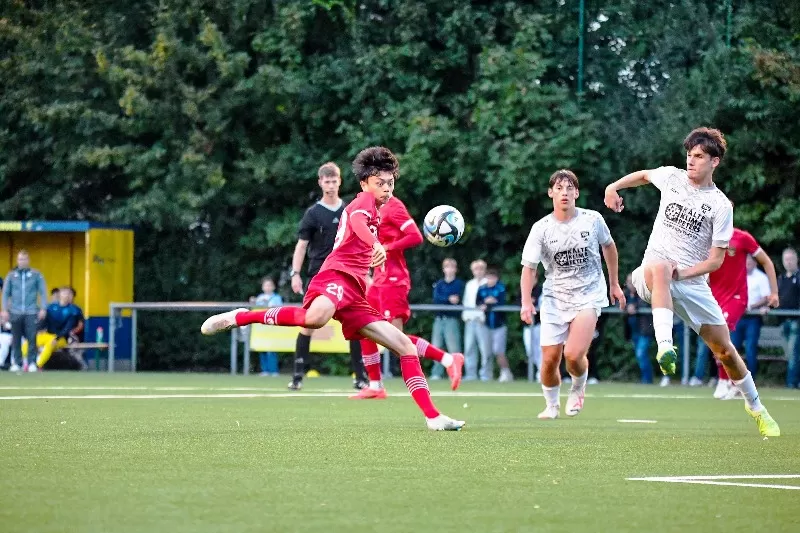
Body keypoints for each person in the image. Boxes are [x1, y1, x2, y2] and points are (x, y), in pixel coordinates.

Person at [202, 146, 465, 431]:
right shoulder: (363, 201)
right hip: (335, 275)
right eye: (380, 183)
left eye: (391, 183)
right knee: (314, 319)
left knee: (403, 346)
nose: (387, 189)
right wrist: (376, 244)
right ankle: (242, 316)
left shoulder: (377, 210)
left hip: (355, 293)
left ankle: (433, 417)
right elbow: (355, 222)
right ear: (365, 183)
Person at [604, 127, 780, 436]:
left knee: (726, 352)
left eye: (699, 156)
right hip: (652, 276)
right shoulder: (672, 178)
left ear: (715, 162)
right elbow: (645, 175)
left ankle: (757, 407)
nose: (691, 161)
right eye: (689, 155)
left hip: (692, 284)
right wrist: (613, 187)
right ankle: (665, 346)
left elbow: (715, 261)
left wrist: (682, 273)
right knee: (658, 267)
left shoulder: (720, 205)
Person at [520, 169, 625, 419]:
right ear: (550, 193)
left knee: (574, 354)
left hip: (589, 294)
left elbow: (609, 247)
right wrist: (525, 301)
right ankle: (552, 405)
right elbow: (529, 268)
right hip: (555, 298)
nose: (564, 193)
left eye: (569, 188)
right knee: (549, 361)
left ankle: (578, 387)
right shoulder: (541, 228)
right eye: (559, 188)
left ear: (577, 193)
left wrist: (614, 284)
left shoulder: (592, 219)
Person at [351, 194, 464, 399]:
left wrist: (387, 248)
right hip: (378, 281)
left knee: (396, 340)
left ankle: (448, 359)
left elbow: (415, 236)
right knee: (363, 327)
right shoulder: (370, 207)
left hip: (394, 281)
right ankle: (375, 385)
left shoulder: (394, 206)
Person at [287, 162, 366, 391]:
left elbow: (359, 242)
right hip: (318, 275)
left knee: (355, 323)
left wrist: (365, 272)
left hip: (344, 274)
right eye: (326, 181)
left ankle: (360, 377)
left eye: (334, 181)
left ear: (340, 181)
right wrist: (295, 274)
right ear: (320, 183)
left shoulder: (349, 210)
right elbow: (302, 246)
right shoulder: (313, 213)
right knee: (308, 322)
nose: (330, 185)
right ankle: (298, 375)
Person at [691, 230, 779, 398]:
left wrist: (774, 292)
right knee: (718, 342)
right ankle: (735, 382)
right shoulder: (705, 238)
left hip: (737, 297)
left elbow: (766, 261)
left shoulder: (742, 237)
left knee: (720, 336)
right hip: (714, 299)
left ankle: (724, 380)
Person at [1, 250, 48, 372]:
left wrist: (43, 308)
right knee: (16, 338)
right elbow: (5, 293)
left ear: (28, 260)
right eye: (20, 259)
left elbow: (43, 292)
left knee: (32, 338)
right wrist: (5, 309)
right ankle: (17, 363)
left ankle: (32, 363)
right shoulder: (11, 275)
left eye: (24, 259)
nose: (22, 261)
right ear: (17, 261)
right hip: (15, 311)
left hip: (31, 311)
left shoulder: (36, 275)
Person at [23, 286, 85, 370]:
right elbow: (44, 322)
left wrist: (57, 338)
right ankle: (24, 363)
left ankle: (37, 366)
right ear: (59, 294)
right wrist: (38, 331)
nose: (66, 295)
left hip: (61, 338)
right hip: (48, 335)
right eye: (64, 292)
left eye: (68, 293)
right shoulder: (51, 307)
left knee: (49, 345)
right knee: (29, 342)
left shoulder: (73, 310)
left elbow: (67, 328)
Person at [429, 258, 465, 380]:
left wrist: (446, 299)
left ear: (455, 269)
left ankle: (456, 372)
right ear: (444, 269)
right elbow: (436, 299)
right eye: (447, 267)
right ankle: (436, 373)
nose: (449, 270)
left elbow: (457, 299)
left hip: (451, 319)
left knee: (453, 347)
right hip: (439, 319)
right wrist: (448, 299)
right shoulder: (439, 284)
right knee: (436, 346)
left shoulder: (459, 284)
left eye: (452, 267)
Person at [477, 267, 513, 382]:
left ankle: (506, 372)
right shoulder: (482, 289)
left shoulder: (500, 288)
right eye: (489, 278)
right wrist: (484, 304)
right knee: (486, 351)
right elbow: (478, 302)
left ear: (496, 279)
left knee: (499, 351)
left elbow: (501, 301)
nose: (490, 280)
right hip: (486, 324)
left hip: (499, 325)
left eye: (493, 278)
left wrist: (490, 303)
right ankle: (487, 374)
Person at [624, 274, 655, 384]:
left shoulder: (644, 293)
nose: (630, 285)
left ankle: (647, 380)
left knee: (641, 353)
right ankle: (646, 378)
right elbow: (619, 303)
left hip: (645, 330)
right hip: (633, 331)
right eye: (628, 282)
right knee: (640, 355)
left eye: (633, 282)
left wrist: (635, 307)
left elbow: (646, 304)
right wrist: (627, 306)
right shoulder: (627, 294)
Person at [462, 259, 490, 381]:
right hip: (470, 320)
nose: (478, 272)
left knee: (485, 349)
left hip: (482, 321)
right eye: (476, 269)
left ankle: (485, 374)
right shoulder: (469, 284)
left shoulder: (487, 283)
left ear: (484, 270)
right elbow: (466, 301)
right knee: (469, 348)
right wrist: (465, 317)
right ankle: (470, 374)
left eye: (480, 269)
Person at [251, 277, 283, 376]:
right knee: (262, 349)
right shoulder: (260, 297)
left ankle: (274, 371)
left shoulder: (277, 298)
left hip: (272, 328)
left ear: (273, 287)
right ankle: (265, 370)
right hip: (261, 328)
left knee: (271, 349)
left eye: (270, 285)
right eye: (266, 285)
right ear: (262, 287)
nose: (268, 287)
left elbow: (279, 309)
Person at [778, 247, 799, 388]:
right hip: (782, 320)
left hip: (796, 321)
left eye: (791, 259)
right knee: (789, 355)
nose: (789, 262)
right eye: (786, 259)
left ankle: (791, 383)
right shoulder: (781, 279)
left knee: (793, 354)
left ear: (797, 260)